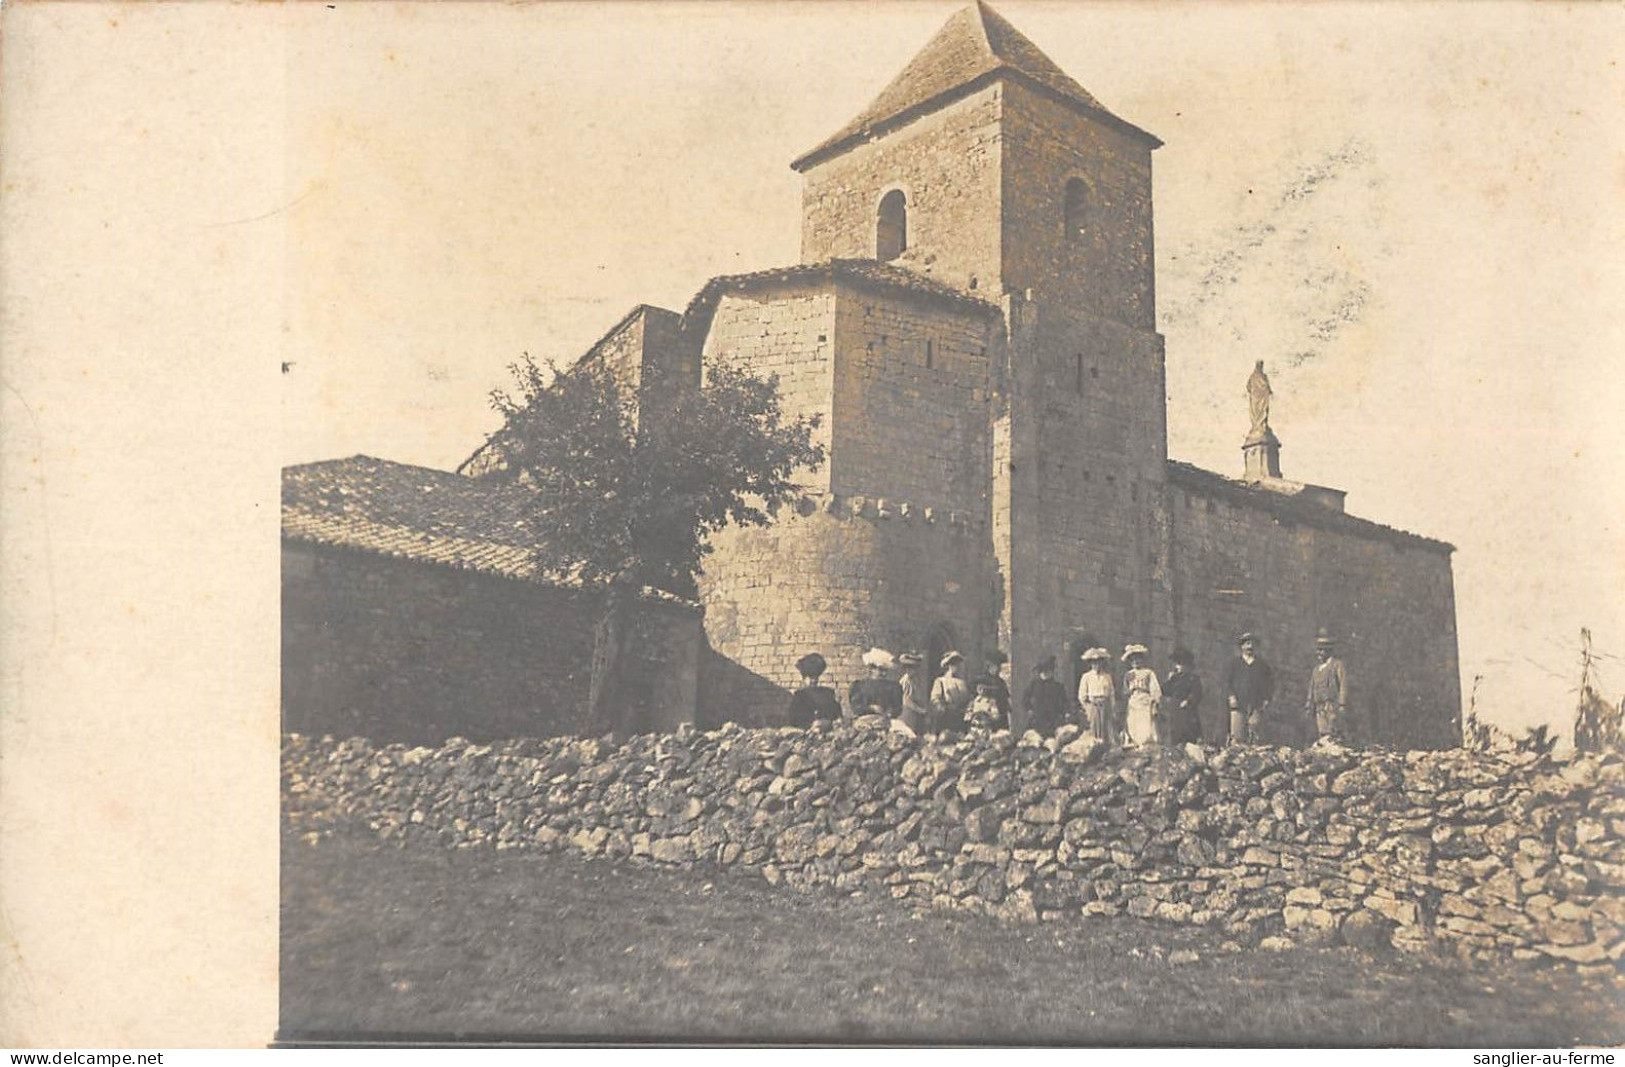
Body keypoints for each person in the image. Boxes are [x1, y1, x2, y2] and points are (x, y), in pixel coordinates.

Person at [1224, 632, 1275, 744]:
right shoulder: (1235, 664)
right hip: (1238, 704)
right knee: (1237, 736)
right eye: (1247, 644)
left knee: (1254, 734)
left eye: (1252, 644)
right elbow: (1227, 683)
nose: (1250, 647)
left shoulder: (1262, 665)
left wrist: (1266, 699)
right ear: (1242, 646)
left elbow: (1269, 685)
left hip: (1256, 705)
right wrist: (1231, 697)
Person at [1305, 629, 1349, 743]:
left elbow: (1343, 685)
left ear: (1328, 650)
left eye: (1321, 650)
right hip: (1319, 707)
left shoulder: (1336, 665)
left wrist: (1342, 704)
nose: (1318, 653)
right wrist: (1309, 705)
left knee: (1333, 731)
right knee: (1322, 732)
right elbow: (1312, 688)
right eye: (1317, 650)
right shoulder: (1316, 669)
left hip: (1331, 705)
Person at [1121, 644, 1162, 747]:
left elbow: (1155, 688)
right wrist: (1130, 691)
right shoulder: (1128, 674)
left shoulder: (1148, 673)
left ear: (1142, 660)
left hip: (1145, 700)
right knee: (1132, 721)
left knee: (1145, 722)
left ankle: (1145, 744)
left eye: (1138, 660)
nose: (1135, 662)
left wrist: (1155, 702)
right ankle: (1133, 742)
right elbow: (1125, 690)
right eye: (1133, 660)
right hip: (1133, 700)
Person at [1161, 647, 1204, 745]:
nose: (1177, 666)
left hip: (1188, 712)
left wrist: (1188, 700)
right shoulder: (1174, 679)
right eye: (1176, 664)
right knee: (1176, 735)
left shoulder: (1193, 678)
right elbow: (1164, 691)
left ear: (1187, 665)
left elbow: (1197, 693)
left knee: (1190, 736)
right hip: (1175, 711)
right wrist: (1169, 679)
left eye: (1180, 664)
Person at [787, 652, 841, 727]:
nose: (813, 680)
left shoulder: (828, 694)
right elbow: (794, 720)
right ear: (804, 678)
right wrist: (811, 724)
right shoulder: (800, 696)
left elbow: (836, 714)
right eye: (810, 677)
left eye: (815, 677)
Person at [848, 647, 903, 720]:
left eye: (885, 670)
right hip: (864, 721)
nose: (883, 673)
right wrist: (871, 708)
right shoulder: (859, 686)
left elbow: (898, 708)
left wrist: (889, 713)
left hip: (887, 720)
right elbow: (855, 708)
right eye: (880, 670)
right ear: (871, 669)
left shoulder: (893, 687)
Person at [1076, 647, 1117, 746]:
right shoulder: (1086, 676)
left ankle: (1105, 748)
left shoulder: (1107, 676)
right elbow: (1082, 695)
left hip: (1105, 705)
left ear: (1102, 663)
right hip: (1093, 705)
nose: (1096, 665)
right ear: (1090, 664)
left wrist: (1112, 707)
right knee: (1093, 728)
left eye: (1099, 662)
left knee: (1106, 728)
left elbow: (1111, 693)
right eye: (1094, 663)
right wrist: (1088, 707)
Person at [1022, 655, 1069, 737]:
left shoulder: (1058, 686)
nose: (1045, 674)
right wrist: (1029, 709)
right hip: (1037, 718)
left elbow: (1064, 701)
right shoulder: (1034, 685)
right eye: (1042, 672)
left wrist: (1063, 713)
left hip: (1053, 719)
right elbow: (1025, 698)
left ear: (1052, 672)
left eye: (1048, 671)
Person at [967, 650, 1013, 731]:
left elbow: (1005, 698)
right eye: (996, 666)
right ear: (990, 666)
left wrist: (1007, 706)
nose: (998, 669)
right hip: (985, 717)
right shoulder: (980, 679)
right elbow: (973, 697)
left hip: (1001, 717)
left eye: (999, 667)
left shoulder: (1001, 682)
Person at [930, 651, 973, 734]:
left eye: (957, 664)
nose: (956, 667)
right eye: (953, 664)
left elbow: (968, 698)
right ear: (948, 666)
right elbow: (935, 699)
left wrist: (969, 709)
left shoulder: (962, 682)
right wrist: (942, 709)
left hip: (961, 718)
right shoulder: (941, 681)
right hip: (946, 718)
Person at [897, 651, 929, 734]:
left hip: (915, 713)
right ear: (906, 669)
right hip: (908, 712)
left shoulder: (915, 681)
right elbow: (906, 700)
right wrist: (920, 710)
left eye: (915, 668)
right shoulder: (905, 681)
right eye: (910, 668)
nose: (913, 671)